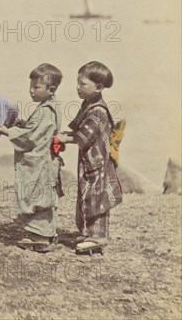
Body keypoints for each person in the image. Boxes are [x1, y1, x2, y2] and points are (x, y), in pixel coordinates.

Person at [0, 64, 64, 252]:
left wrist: (8, 131)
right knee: (40, 194)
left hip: (40, 162)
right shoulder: (48, 107)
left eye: (37, 87)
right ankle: (41, 234)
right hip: (42, 159)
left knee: (38, 195)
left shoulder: (47, 110)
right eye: (31, 85)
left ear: (51, 90)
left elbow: (32, 136)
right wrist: (24, 124)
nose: (32, 90)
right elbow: (37, 130)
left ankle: (40, 236)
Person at [57, 61, 123, 254]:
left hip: (98, 162)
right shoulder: (88, 104)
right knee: (86, 194)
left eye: (83, 84)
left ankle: (98, 236)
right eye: (77, 82)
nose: (78, 87)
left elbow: (83, 136)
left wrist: (64, 138)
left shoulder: (99, 110)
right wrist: (62, 134)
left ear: (99, 87)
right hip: (88, 161)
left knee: (97, 197)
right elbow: (76, 127)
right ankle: (89, 232)